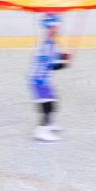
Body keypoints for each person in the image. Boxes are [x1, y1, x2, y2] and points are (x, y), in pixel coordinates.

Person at [30, 13, 71, 142]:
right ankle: (41, 130)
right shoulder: (46, 45)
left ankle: (49, 124)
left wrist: (63, 57)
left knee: (53, 101)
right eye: (55, 27)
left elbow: (56, 58)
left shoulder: (52, 43)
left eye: (57, 27)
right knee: (48, 106)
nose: (57, 29)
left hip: (44, 79)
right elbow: (51, 66)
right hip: (39, 80)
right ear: (49, 28)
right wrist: (64, 63)